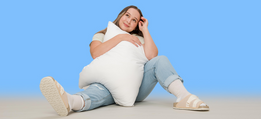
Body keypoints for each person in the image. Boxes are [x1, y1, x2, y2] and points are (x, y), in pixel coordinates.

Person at [39, 5, 209, 116]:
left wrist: (146, 30)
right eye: (127, 15)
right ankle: (71, 101)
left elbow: (152, 57)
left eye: (134, 20)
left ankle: (183, 96)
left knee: (161, 59)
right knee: (101, 89)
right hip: (108, 83)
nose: (129, 20)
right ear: (121, 15)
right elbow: (95, 53)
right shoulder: (102, 34)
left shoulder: (138, 38)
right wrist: (120, 37)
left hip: (137, 87)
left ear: (137, 25)